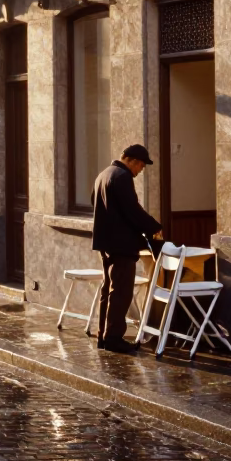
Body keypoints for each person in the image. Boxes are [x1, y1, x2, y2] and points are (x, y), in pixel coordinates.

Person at [92, 144, 162, 353]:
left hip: (106, 244)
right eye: (140, 164)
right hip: (120, 245)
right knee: (120, 292)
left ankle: (103, 335)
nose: (140, 170)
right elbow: (132, 210)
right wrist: (154, 227)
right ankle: (113, 338)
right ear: (130, 160)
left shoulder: (103, 175)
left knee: (108, 289)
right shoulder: (122, 177)